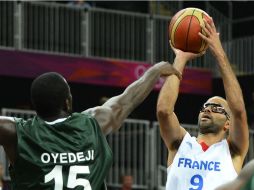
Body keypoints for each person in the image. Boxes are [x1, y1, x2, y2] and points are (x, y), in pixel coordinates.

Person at [0, 61, 181, 189]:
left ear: (34, 106)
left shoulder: (16, 132)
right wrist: (155, 71)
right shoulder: (92, 124)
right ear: (67, 102)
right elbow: (126, 101)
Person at [156, 18, 249, 190]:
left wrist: (219, 52)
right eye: (205, 107)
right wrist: (180, 58)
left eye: (216, 108)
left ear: (228, 123)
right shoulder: (180, 143)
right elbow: (163, 111)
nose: (208, 110)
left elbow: (238, 111)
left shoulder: (232, 151)